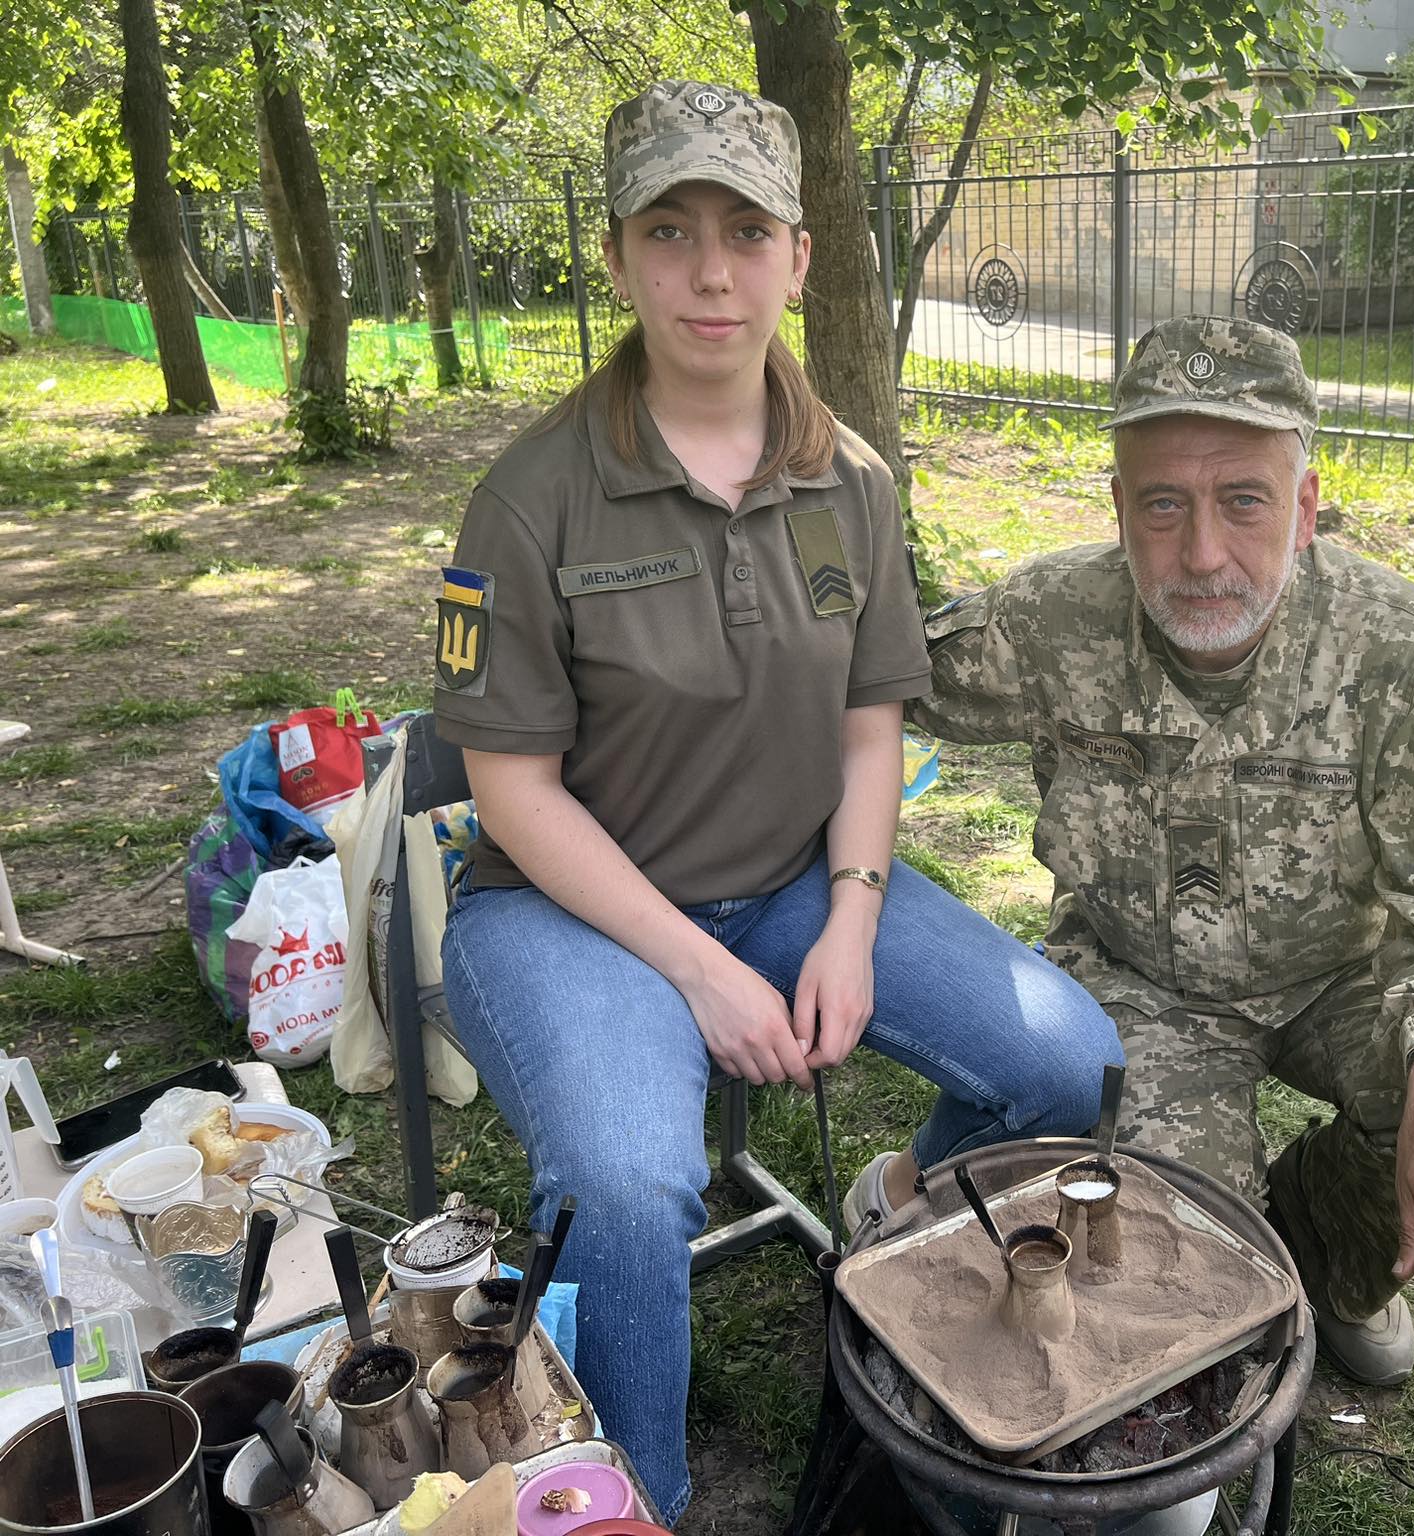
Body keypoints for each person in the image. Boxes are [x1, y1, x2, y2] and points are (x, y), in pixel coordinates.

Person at [431, 80, 1122, 1521]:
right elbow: (510, 791)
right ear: (616, 258)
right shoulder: (530, 499)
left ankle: (904, 1252)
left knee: (1067, 1060)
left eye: (746, 231)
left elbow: (873, 728)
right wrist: (695, 970)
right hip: (573, 915)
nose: (708, 270)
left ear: (800, 258)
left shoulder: (852, 481)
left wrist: (853, 928)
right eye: (669, 230)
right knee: (625, 1186)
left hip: (798, 883)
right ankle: (640, 1505)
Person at [908, 315, 1414, 1387]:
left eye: (1242, 501)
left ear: (1303, 510)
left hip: (1332, 982)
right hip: (1140, 987)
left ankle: (1318, 1270)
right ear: (1119, 509)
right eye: (1161, 504)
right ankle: (1242, 1271)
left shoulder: (1397, 653)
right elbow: (863, 667)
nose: (1201, 553)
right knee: (1168, 1255)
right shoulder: (1052, 618)